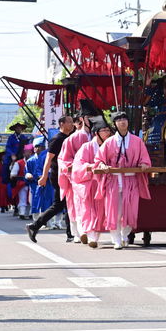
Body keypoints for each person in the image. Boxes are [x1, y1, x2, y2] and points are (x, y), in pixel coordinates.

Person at [94, 111, 152, 250]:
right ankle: (116, 239)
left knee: (130, 210)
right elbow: (99, 159)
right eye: (119, 120)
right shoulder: (109, 142)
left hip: (131, 181)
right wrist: (102, 165)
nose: (122, 122)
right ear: (115, 123)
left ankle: (125, 235)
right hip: (114, 181)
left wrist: (144, 164)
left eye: (124, 119)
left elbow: (144, 158)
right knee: (114, 211)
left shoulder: (137, 141)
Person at [26, 115, 75, 242]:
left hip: (67, 175)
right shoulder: (57, 139)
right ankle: (34, 225)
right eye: (69, 122)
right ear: (62, 124)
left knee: (68, 203)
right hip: (58, 175)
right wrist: (44, 176)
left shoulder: (69, 138)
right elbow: (48, 159)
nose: (72, 124)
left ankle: (70, 234)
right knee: (59, 204)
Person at [58, 100, 99, 243]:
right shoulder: (74, 138)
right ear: (82, 119)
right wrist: (74, 168)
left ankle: (89, 231)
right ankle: (78, 232)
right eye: (89, 117)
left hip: (94, 177)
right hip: (77, 177)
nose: (92, 120)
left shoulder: (96, 137)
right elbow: (63, 159)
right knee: (77, 204)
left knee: (91, 206)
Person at [72, 116, 113, 248]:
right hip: (88, 184)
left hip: (103, 184)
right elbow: (78, 167)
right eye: (104, 130)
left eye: (108, 130)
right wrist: (90, 167)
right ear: (96, 133)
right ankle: (90, 236)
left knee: (100, 213)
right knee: (88, 211)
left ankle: (92, 235)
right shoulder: (86, 147)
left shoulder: (110, 147)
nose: (107, 133)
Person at [25, 137, 56, 225]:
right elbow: (27, 172)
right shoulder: (30, 160)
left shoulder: (47, 157)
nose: (39, 149)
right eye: (37, 146)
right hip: (35, 185)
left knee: (49, 202)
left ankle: (51, 222)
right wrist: (28, 175)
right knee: (36, 202)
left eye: (41, 147)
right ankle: (36, 221)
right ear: (34, 148)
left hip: (48, 183)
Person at [2, 122, 28, 201]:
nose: (19, 129)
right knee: (6, 165)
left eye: (20, 128)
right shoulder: (11, 138)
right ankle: (6, 179)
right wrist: (12, 155)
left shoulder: (24, 137)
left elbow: (27, 147)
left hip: (22, 156)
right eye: (17, 128)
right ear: (15, 129)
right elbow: (8, 147)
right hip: (13, 157)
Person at [10, 145, 33, 219]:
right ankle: (22, 213)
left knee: (31, 200)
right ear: (24, 153)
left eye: (29, 152)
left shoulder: (34, 161)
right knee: (22, 199)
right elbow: (13, 174)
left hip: (32, 184)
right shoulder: (19, 163)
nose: (28, 154)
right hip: (22, 184)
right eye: (27, 152)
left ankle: (30, 213)